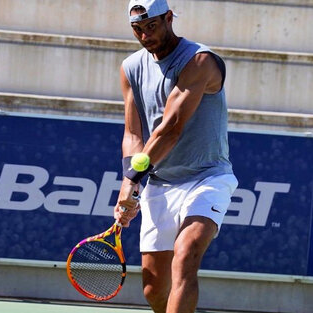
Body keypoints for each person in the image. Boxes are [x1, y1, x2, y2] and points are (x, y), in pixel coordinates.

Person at [113, 1, 238, 312]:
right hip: (160, 183)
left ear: (169, 18)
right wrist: (129, 185)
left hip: (207, 177)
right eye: (137, 29)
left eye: (151, 26)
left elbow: (171, 128)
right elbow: (133, 135)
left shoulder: (200, 61)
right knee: (155, 290)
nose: (144, 35)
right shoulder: (131, 68)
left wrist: (132, 179)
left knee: (186, 254)